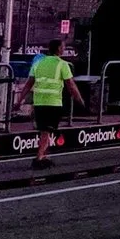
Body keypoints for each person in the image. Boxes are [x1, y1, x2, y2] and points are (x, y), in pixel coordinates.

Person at [29, 40, 83, 168]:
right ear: (59, 48)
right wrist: (79, 99)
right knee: (46, 131)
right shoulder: (62, 64)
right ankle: (39, 158)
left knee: (45, 130)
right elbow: (71, 84)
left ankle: (43, 156)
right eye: (63, 47)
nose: (64, 49)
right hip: (53, 102)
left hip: (39, 101)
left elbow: (29, 83)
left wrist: (19, 100)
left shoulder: (38, 62)